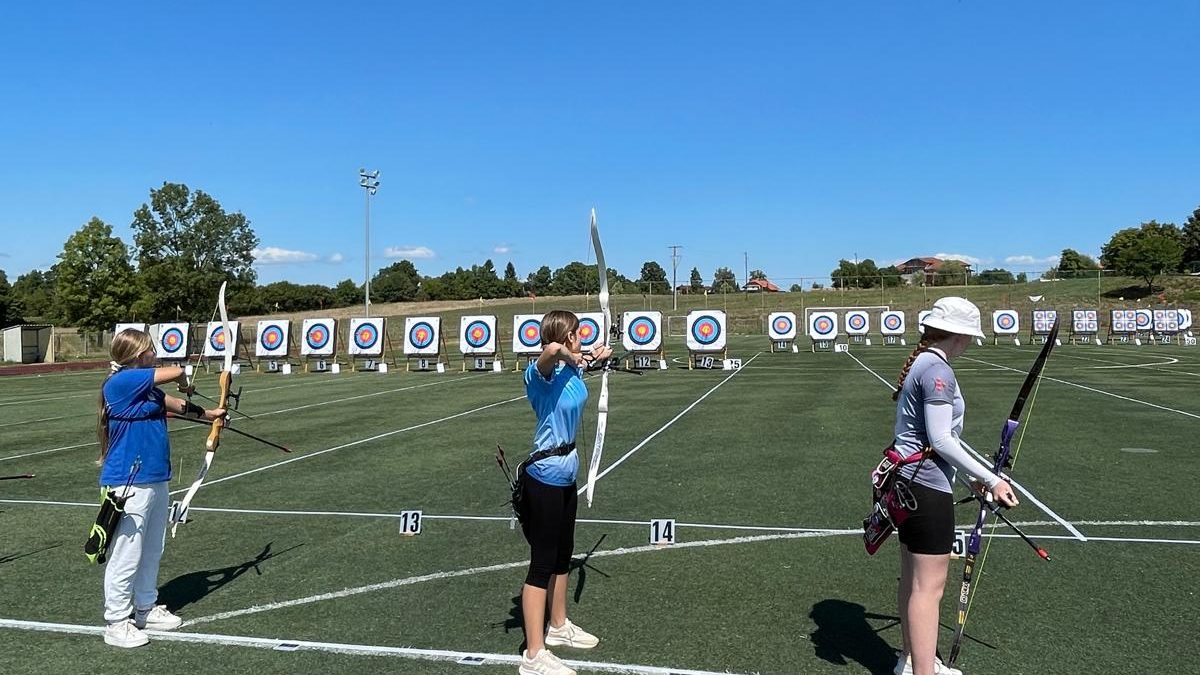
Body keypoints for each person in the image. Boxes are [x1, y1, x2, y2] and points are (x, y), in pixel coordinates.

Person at [889, 298, 1018, 675]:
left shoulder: (923, 363)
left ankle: (910, 660)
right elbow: (942, 440)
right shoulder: (937, 371)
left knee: (913, 579)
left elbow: (931, 441)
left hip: (907, 484)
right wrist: (991, 479)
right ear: (960, 336)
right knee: (928, 589)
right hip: (926, 489)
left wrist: (974, 477)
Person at [97, 329, 224, 648]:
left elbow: (177, 406)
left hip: (154, 476)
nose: (156, 354)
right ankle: (115, 621)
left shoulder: (145, 390)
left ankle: (145, 608)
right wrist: (183, 379)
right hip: (128, 480)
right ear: (141, 356)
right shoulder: (122, 381)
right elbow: (179, 373)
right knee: (128, 553)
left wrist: (211, 415)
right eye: (152, 350)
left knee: (153, 547)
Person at [516, 310, 610, 675]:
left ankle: (558, 627)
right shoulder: (538, 376)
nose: (581, 336)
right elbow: (551, 352)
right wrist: (569, 353)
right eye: (578, 333)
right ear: (566, 336)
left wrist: (591, 357)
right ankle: (533, 654)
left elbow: (573, 360)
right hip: (544, 477)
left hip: (566, 474)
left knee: (563, 555)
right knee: (541, 564)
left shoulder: (571, 371)